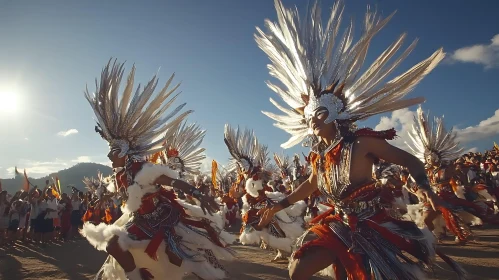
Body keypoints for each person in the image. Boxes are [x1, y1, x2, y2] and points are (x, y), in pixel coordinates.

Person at [254, 0, 467, 279]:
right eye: (308, 118)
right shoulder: (320, 156)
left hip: (370, 224)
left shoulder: (361, 143)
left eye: (319, 113)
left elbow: (409, 160)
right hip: (337, 223)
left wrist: (425, 186)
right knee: (298, 269)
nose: (313, 121)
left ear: (336, 112)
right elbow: (311, 184)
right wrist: (277, 205)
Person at [81, 60, 234, 280]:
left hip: (160, 219)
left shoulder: (143, 168)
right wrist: (103, 196)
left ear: (124, 152)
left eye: (112, 151)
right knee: (114, 248)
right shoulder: (122, 174)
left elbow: (171, 182)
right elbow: (122, 192)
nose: (108, 156)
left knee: (181, 259)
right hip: (138, 218)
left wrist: (199, 194)